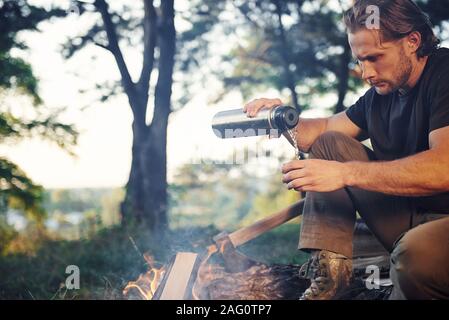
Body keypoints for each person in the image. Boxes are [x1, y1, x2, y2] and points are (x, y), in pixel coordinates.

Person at [243, 0, 449, 300]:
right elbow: (321, 131)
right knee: (329, 145)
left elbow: (443, 168)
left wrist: (345, 174)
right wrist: (279, 119)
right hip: (408, 218)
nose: (365, 72)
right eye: (360, 60)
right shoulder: (381, 95)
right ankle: (330, 279)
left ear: (412, 41)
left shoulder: (444, 74)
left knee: (415, 255)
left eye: (374, 58)